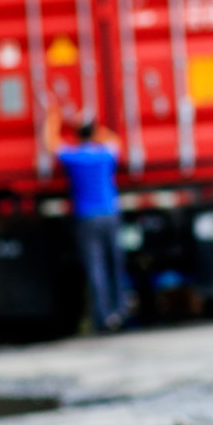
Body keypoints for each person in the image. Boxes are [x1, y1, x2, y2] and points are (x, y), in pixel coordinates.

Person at [44, 108, 127, 333]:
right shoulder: (104, 155)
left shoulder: (74, 157)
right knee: (115, 264)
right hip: (110, 214)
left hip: (87, 218)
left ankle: (103, 317)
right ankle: (120, 311)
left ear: (77, 134)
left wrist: (53, 120)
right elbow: (115, 140)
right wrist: (93, 127)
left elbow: (52, 144)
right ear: (93, 132)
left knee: (95, 267)